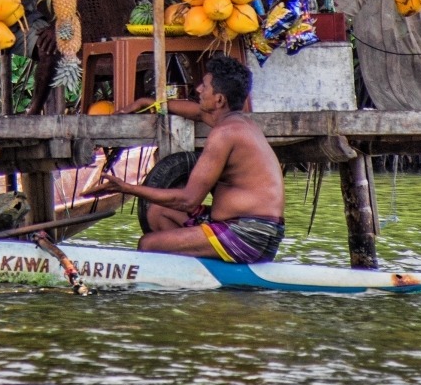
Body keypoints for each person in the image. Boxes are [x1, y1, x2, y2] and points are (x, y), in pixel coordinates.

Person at [85, 55, 285, 264]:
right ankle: (198, 266)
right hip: (251, 228)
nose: (198, 89)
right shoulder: (239, 122)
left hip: (249, 235)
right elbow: (199, 113)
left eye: (205, 86)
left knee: (148, 245)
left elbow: (188, 200)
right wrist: (151, 104)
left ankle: (195, 271)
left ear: (219, 100)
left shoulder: (225, 133)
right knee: (158, 213)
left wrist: (127, 188)